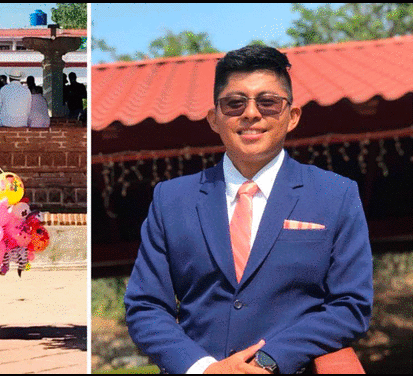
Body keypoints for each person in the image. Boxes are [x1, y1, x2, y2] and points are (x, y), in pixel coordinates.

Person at [124, 45, 373, 374]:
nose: (251, 114)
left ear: (291, 116)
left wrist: (270, 360)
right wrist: (204, 368)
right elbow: (145, 305)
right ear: (214, 119)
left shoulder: (335, 194)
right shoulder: (171, 199)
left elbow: (350, 306)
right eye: (234, 103)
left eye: (268, 102)